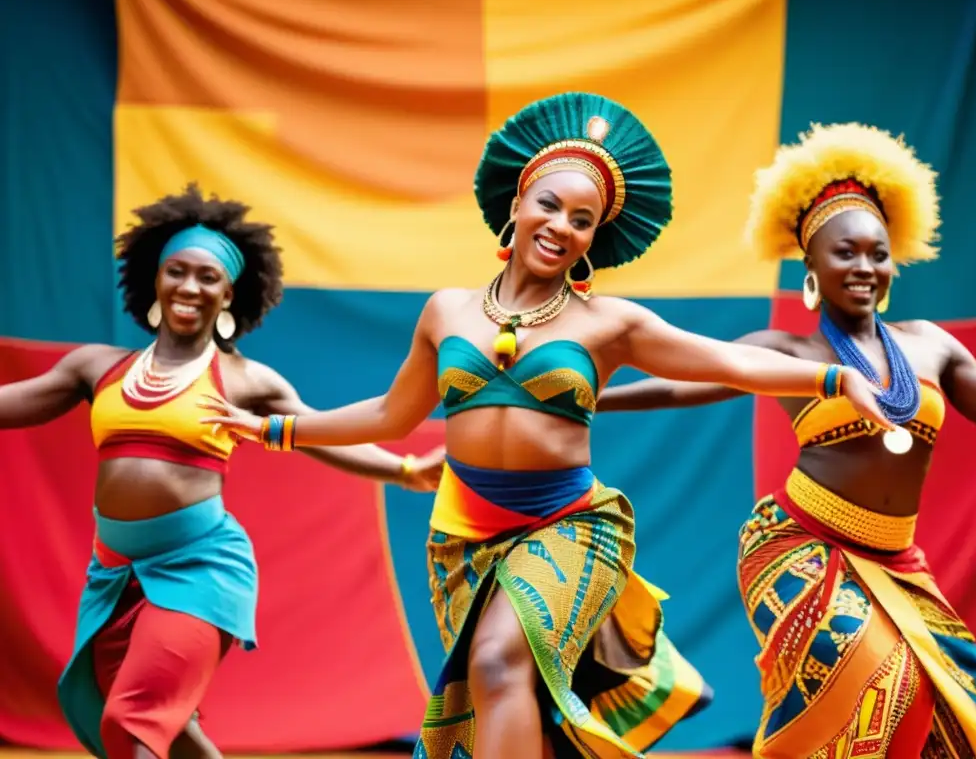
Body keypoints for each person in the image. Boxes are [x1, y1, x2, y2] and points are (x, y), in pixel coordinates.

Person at [200, 94, 892, 759]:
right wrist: (278, 432)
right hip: (463, 537)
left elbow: (732, 364)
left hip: (567, 526)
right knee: (508, 693)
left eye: (583, 219)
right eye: (550, 205)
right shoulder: (447, 312)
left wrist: (833, 378)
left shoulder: (609, 323)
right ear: (517, 208)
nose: (562, 225)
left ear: (595, 238)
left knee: (502, 663)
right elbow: (390, 415)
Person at [597, 122, 976, 757]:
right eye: (844, 252)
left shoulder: (931, 344)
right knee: (868, 664)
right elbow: (682, 386)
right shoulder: (789, 352)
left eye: (877, 253)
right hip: (800, 546)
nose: (864, 266)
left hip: (896, 561)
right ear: (811, 266)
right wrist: (586, 398)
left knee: (954, 701)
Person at [0, 183, 446, 759]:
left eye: (207, 278)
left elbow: (318, 433)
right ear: (154, 281)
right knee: (173, 730)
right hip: (114, 576)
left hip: (199, 570)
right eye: (177, 272)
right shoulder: (97, 367)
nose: (189, 287)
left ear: (229, 295)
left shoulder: (246, 380)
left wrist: (403, 468)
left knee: (133, 720)